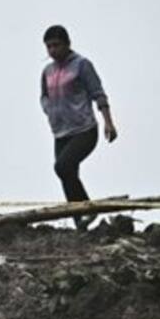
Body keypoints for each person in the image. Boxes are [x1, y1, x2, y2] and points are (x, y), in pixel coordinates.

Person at [39, 25, 118, 229]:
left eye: (56, 45)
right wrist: (49, 111)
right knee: (68, 174)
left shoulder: (81, 65)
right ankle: (80, 222)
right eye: (49, 47)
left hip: (84, 130)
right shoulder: (47, 71)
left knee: (62, 166)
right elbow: (44, 96)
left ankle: (87, 209)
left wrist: (108, 122)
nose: (53, 51)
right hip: (60, 132)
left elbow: (98, 93)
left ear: (67, 44)